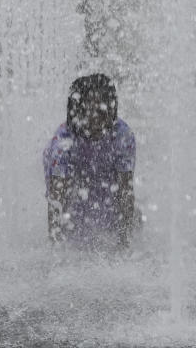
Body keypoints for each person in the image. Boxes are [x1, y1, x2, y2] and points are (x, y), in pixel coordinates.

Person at [43, 73, 137, 249]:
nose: (95, 120)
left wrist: (125, 244)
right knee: (74, 217)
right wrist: (55, 246)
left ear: (112, 110)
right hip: (72, 179)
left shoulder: (122, 136)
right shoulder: (63, 141)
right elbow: (56, 198)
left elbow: (125, 191)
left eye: (101, 113)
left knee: (123, 214)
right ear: (76, 111)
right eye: (88, 112)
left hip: (104, 176)